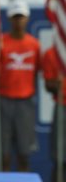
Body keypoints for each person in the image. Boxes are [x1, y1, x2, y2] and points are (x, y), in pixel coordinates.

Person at [0, 0, 40, 171]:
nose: (19, 21)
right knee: (4, 153)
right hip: (4, 101)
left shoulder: (34, 44)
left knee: (24, 153)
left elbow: (38, 71)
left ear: (27, 18)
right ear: (9, 19)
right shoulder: (0, 43)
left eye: (21, 17)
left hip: (25, 102)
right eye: (15, 17)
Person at [42, 46, 66, 181]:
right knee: (60, 159)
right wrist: (57, 84)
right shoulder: (52, 53)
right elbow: (48, 84)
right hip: (62, 107)